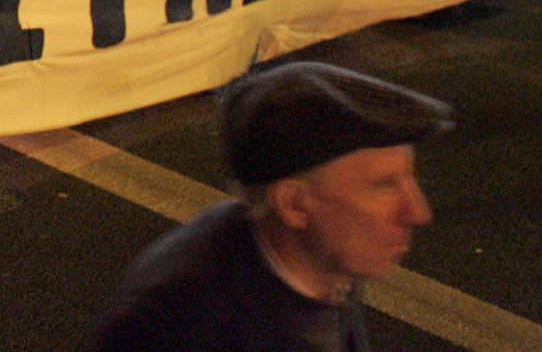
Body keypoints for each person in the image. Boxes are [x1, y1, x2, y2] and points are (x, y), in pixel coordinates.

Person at [85, 62, 451, 351]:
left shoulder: (321, 261)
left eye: (409, 179)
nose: (418, 212)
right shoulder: (182, 323)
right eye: (384, 186)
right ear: (293, 205)